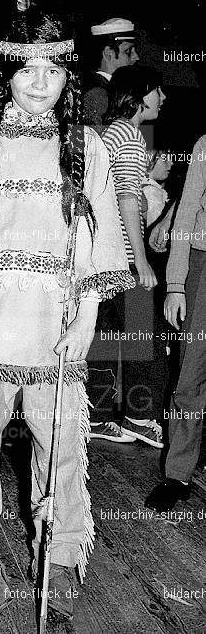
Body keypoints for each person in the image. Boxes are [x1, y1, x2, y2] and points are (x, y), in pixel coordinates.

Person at [0, 9, 134, 621]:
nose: (41, 81)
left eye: (54, 69)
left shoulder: (86, 147)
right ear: (6, 73)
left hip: (56, 327)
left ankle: (65, 547)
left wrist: (85, 321)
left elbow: (100, 242)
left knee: (64, 446)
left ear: (68, 77)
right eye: (29, 68)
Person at [89, 65, 167, 447]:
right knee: (145, 340)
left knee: (101, 336)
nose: (162, 99)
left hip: (97, 255)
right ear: (139, 96)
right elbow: (127, 198)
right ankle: (140, 417)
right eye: (157, 92)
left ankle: (98, 415)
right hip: (122, 256)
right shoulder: (132, 136)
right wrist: (141, 260)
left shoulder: (104, 133)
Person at [145, 135, 206, 512]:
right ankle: (178, 473)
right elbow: (184, 214)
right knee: (190, 375)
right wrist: (176, 285)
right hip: (201, 265)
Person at [82, 18, 139, 131]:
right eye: (128, 52)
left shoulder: (112, 89)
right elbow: (83, 144)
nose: (136, 57)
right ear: (109, 54)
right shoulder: (97, 93)